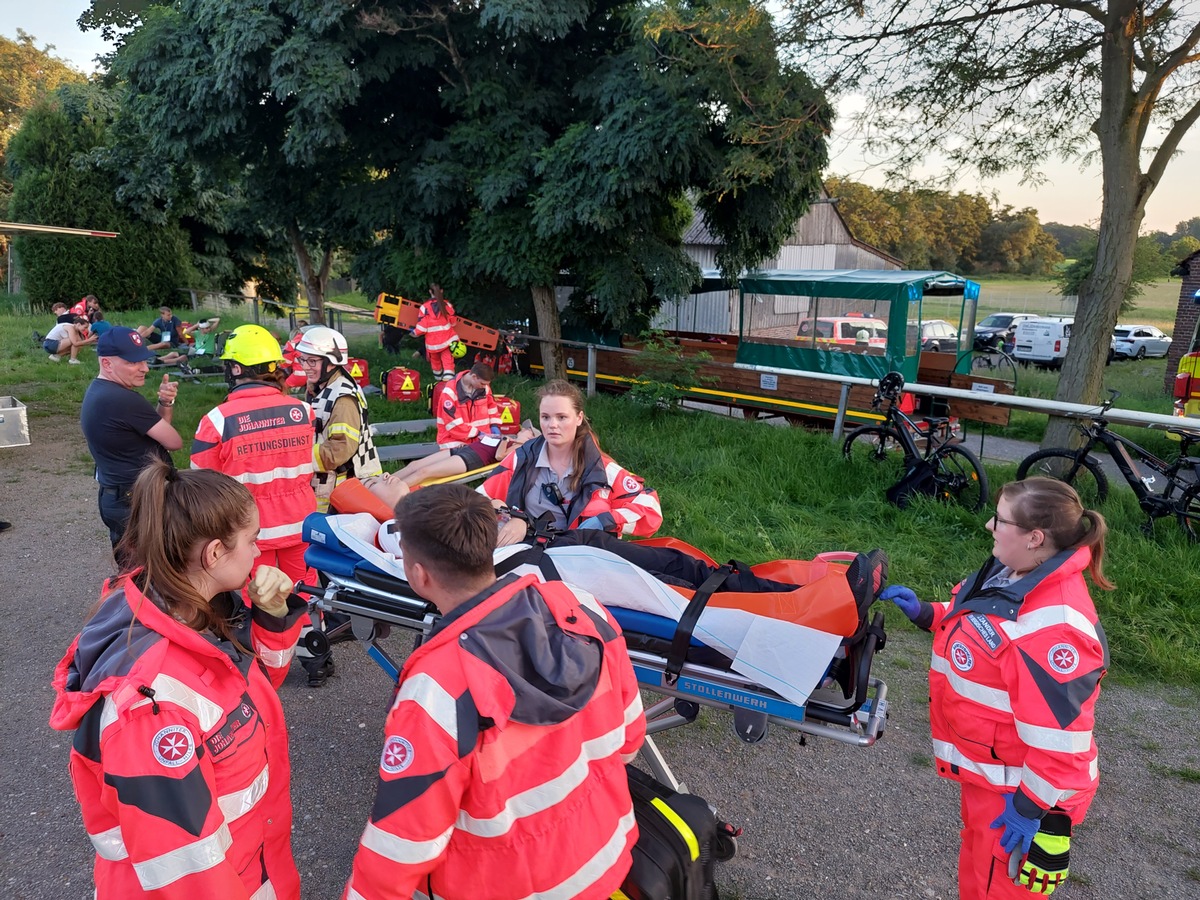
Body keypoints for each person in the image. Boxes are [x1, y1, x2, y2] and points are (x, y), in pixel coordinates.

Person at [342, 484, 645, 900]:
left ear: (418, 574)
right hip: (607, 855)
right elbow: (629, 742)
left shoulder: (437, 690)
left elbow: (402, 844)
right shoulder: (577, 606)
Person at [49, 460, 305, 899]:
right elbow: (188, 875)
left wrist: (273, 615)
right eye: (253, 540)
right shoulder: (153, 707)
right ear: (214, 554)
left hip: (253, 863)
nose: (259, 553)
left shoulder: (192, 607)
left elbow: (247, 696)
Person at [880, 477, 1111, 899]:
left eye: (1000, 519)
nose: (989, 526)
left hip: (1021, 797)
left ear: (1034, 537)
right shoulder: (1018, 573)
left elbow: (1060, 747)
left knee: (997, 890)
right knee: (977, 878)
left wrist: (1028, 811)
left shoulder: (1051, 630)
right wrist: (928, 613)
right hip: (993, 781)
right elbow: (980, 619)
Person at [476, 380, 861, 596]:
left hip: (590, 550)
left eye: (562, 416)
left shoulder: (599, 468)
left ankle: (800, 591)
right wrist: (507, 515)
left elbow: (650, 509)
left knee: (682, 566)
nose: (552, 425)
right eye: (545, 416)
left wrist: (605, 520)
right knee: (675, 579)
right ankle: (790, 596)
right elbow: (477, 499)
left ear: (579, 419)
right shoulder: (522, 459)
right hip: (552, 562)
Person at [190, 324, 316, 584]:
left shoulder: (216, 420)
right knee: (305, 594)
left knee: (261, 598)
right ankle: (307, 627)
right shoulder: (304, 411)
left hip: (248, 530)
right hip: (301, 522)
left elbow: (201, 481)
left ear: (236, 369)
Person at [80, 327, 183, 550]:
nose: (144, 368)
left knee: (133, 572)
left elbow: (155, 432)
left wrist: (165, 402)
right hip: (136, 501)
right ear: (107, 364)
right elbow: (173, 441)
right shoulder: (123, 400)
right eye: (133, 362)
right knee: (149, 574)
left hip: (118, 496)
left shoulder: (99, 391)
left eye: (143, 360)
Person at [294, 325, 382, 511]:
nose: (305, 367)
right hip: (330, 485)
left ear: (332, 363)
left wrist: (297, 456)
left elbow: (339, 450)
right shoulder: (324, 386)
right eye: (303, 360)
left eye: (312, 361)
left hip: (343, 489)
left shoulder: (342, 399)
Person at [361, 424, 538, 502]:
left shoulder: (518, 447)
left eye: (528, 432)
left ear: (531, 438)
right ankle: (381, 481)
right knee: (415, 464)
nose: (524, 430)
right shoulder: (510, 438)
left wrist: (507, 440)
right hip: (466, 449)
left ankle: (388, 493)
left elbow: (500, 457)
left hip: (473, 459)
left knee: (425, 472)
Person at [435, 361, 501, 449]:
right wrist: (478, 433)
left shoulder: (484, 388)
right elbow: (452, 424)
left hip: (480, 439)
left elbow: (491, 407)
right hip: (454, 440)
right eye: (482, 383)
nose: (484, 386)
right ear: (474, 377)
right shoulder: (450, 392)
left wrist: (494, 425)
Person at [413, 282, 460, 382]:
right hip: (447, 340)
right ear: (442, 291)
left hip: (432, 344)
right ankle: (448, 382)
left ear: (430, 292)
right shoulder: (447, 305)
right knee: (448, 362)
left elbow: (422, 327)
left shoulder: (424, 308)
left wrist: (414, 333)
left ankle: (438, 382)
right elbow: (453, 322)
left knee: (435, 362)